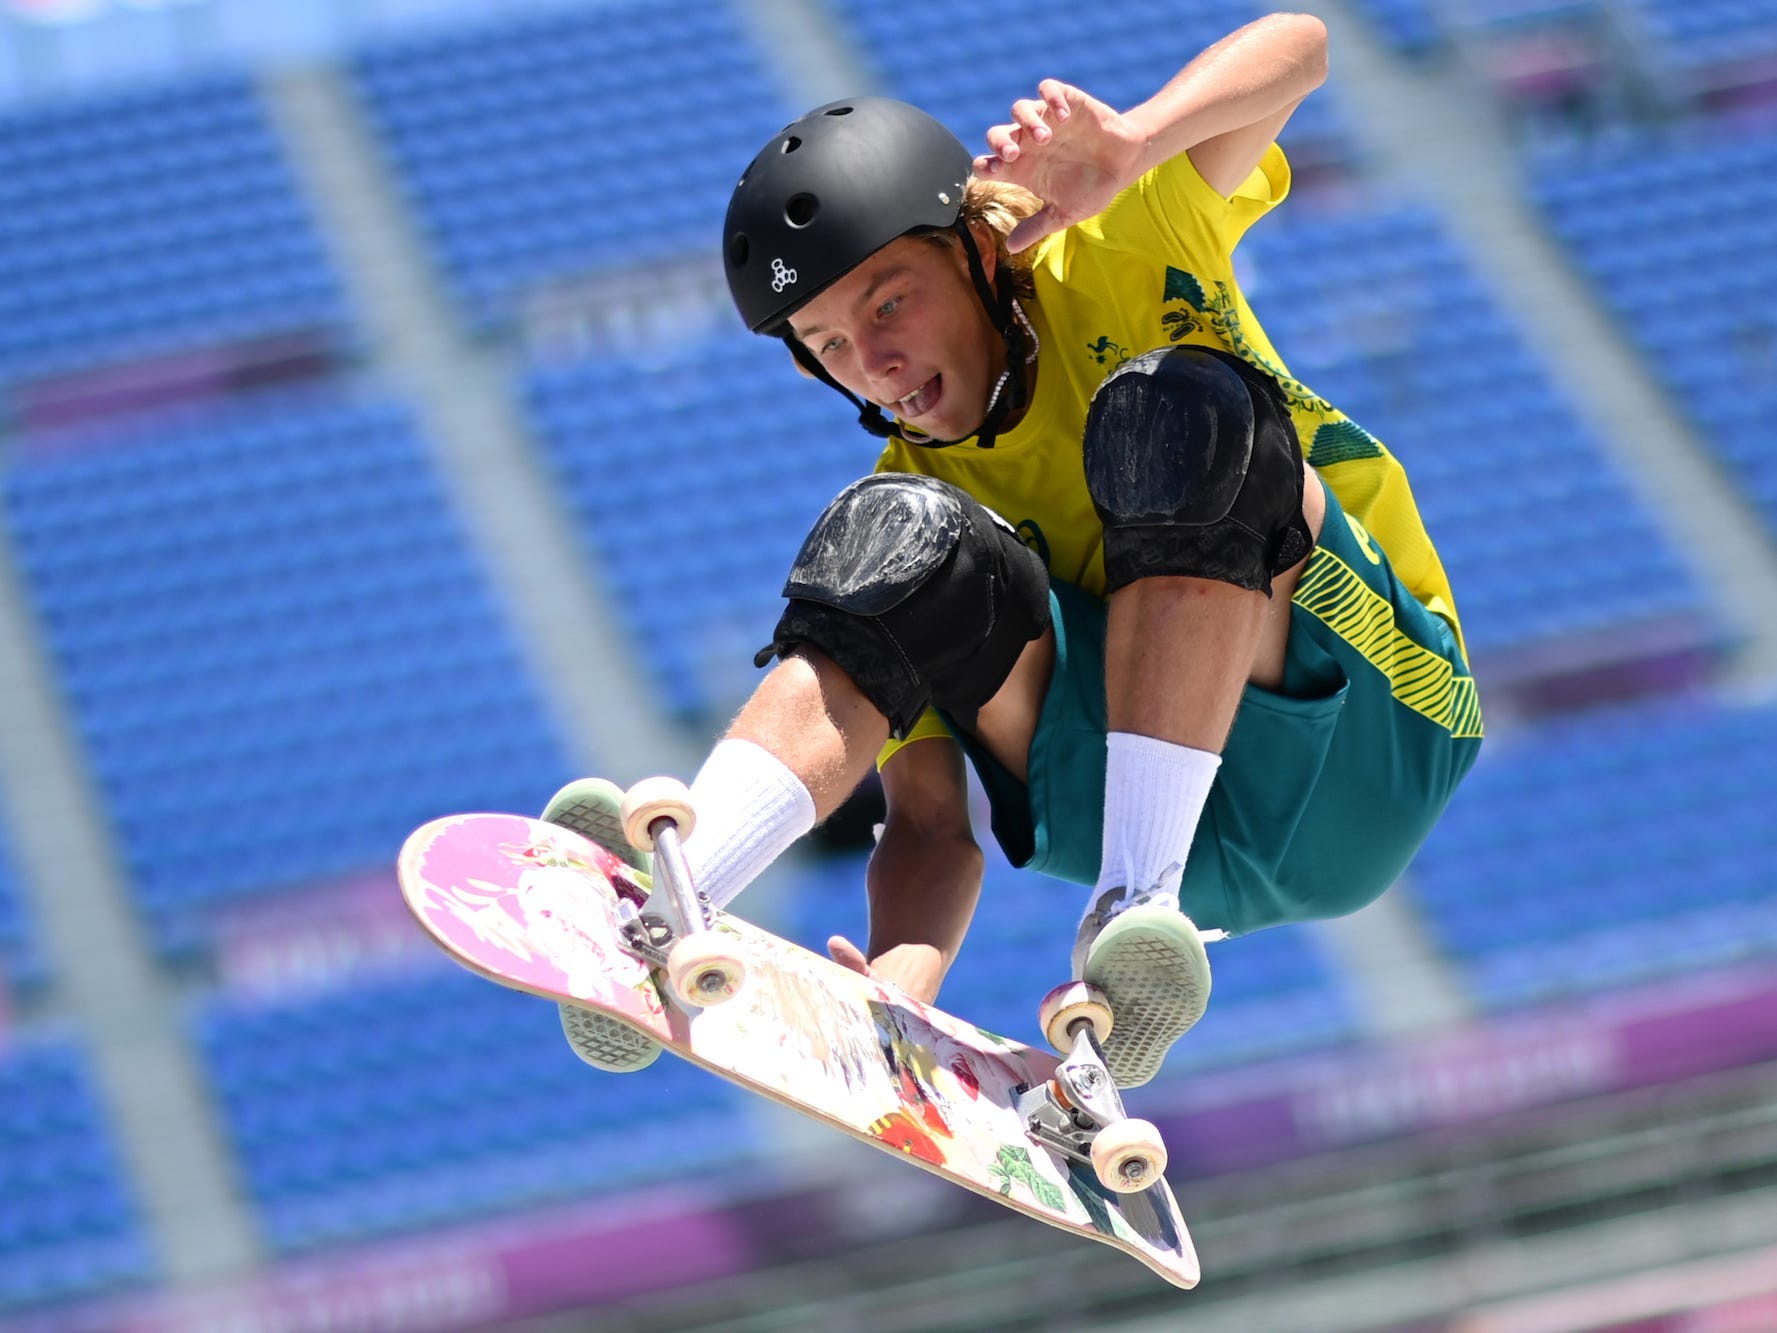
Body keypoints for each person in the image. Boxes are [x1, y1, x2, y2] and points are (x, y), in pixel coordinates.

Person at [546, 12, 1483, 1088]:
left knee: (1170, 406)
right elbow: (933, 822)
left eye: (890, 302)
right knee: (890, 542)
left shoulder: (1122, 243)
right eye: (831, 347)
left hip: (1372, 730)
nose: (876, 362)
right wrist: (895, 986)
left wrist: (1138, 138)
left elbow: (1303, 44)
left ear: (981, 250)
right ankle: (672, 902)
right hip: (1144, 823)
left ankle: (1136, 905)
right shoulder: (914, 495)